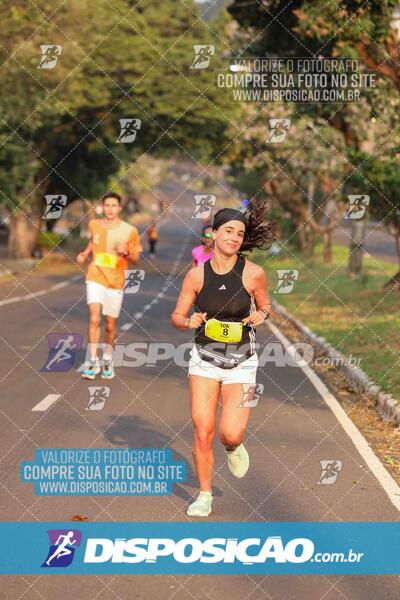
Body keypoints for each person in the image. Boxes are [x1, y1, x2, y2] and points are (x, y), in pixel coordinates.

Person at [171, 201, 275, 517]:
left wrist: (262, 314)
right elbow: (177, 315)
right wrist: (186, 322)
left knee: (231, 432)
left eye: (239, 234)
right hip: (203, 360)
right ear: (214, 233)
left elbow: (266, 305)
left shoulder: (254, 274)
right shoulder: (196, 276)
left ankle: (233, 447)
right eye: (228, 231)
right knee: (203, 430)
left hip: (242, 363)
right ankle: (204, 495)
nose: (233, 237)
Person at [77, 192, 143, 380]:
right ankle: (93, 361)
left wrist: (126, 253)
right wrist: (85, 253)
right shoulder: (94, 225)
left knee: (110, 325)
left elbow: (137, 259)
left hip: (116, 280)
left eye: (114, 205)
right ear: (102, 207)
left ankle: (107, 358)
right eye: (107, 205)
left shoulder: (129, 230)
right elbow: (93, 240)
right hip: (95, 276)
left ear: (119, 208)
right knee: (94, 318)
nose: (110, 209)